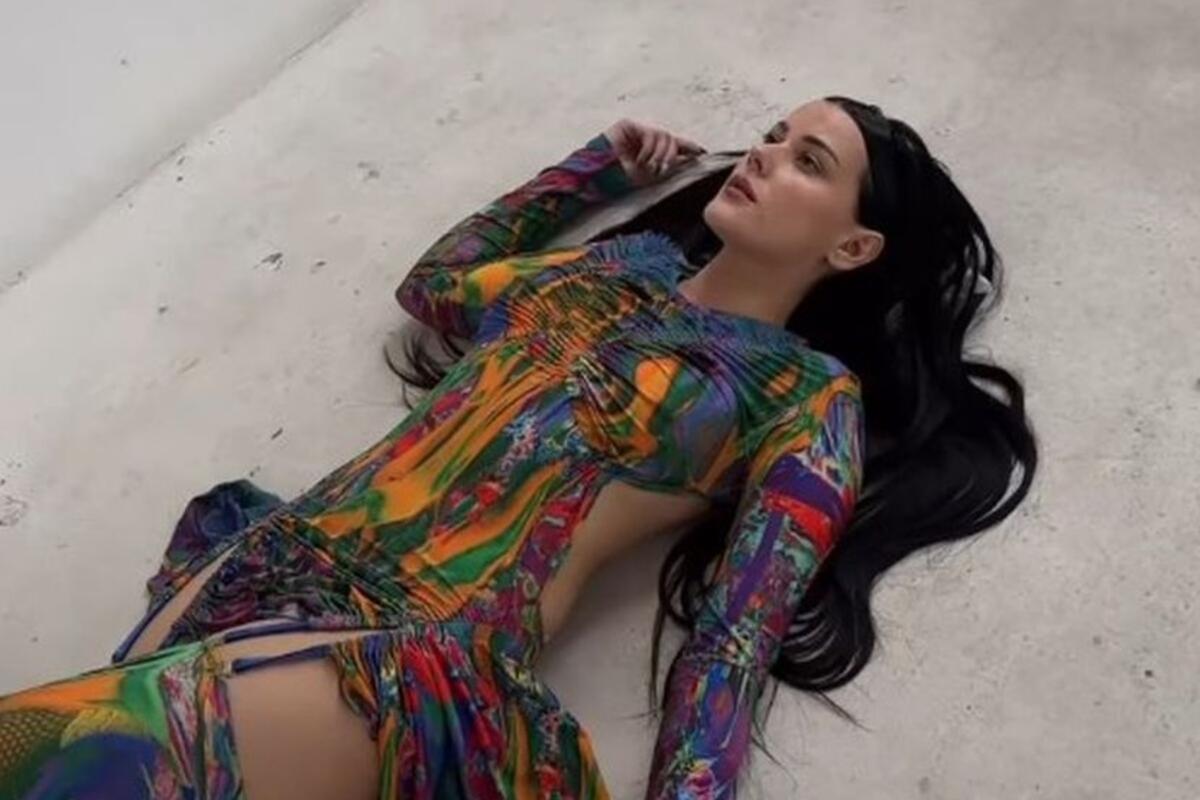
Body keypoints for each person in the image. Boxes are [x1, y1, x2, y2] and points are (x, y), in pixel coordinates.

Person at [0, 96, 1037, 799]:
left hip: (411, 655)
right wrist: (591, 170)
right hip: (267, 568)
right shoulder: (601, 272)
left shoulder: (804, 399)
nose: (766, 153)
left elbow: (733, 637)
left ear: (852, 245)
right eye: (773, 134)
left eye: (809, 161)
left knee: (60, 749)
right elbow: (434, 286)